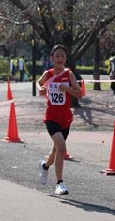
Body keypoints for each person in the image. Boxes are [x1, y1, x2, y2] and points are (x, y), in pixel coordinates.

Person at [37, 44, 82, 195]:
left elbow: (79, 94)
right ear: (52, 58)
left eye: (63, 56)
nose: (60, 58)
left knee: (56, 150)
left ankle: (44, 166)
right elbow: (40, 84)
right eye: (57, 55)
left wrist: (67, 89)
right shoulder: (48, 74)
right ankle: (59, 183)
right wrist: (41, 90)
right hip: (51, 117)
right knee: (62, 149)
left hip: (65, 118)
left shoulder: (69, 74)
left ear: (65, 59)